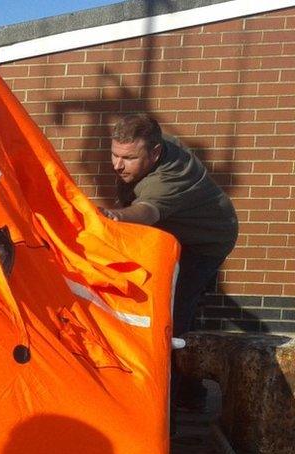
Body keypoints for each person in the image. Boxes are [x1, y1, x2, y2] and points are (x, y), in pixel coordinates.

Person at [101, 113, 238, 408]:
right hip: (176, 229)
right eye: (114, 154)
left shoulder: (168, 178)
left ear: (155, 153)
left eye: (129, 158)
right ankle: (185, 387)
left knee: (174, 315)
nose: (117, 165)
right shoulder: (150, 150)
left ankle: (176, 401)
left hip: (205, 242)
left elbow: (146, 213)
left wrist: (111, 216)